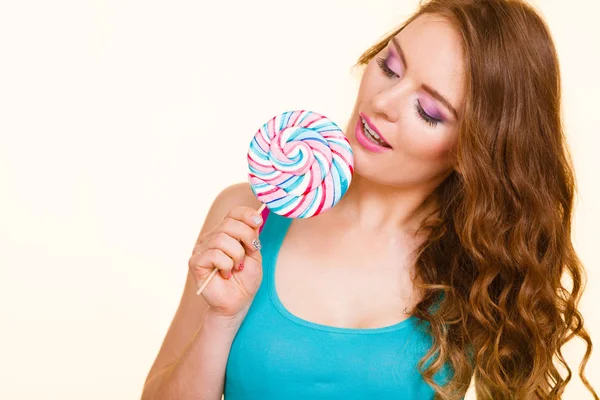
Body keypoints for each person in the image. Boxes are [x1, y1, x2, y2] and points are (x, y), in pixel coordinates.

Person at [141, 0, 598, 399]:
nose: (384, 102)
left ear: (473, 149)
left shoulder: (481, 271)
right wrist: (222, 319)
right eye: (389, 67)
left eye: (428, 111)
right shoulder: (247, 216)